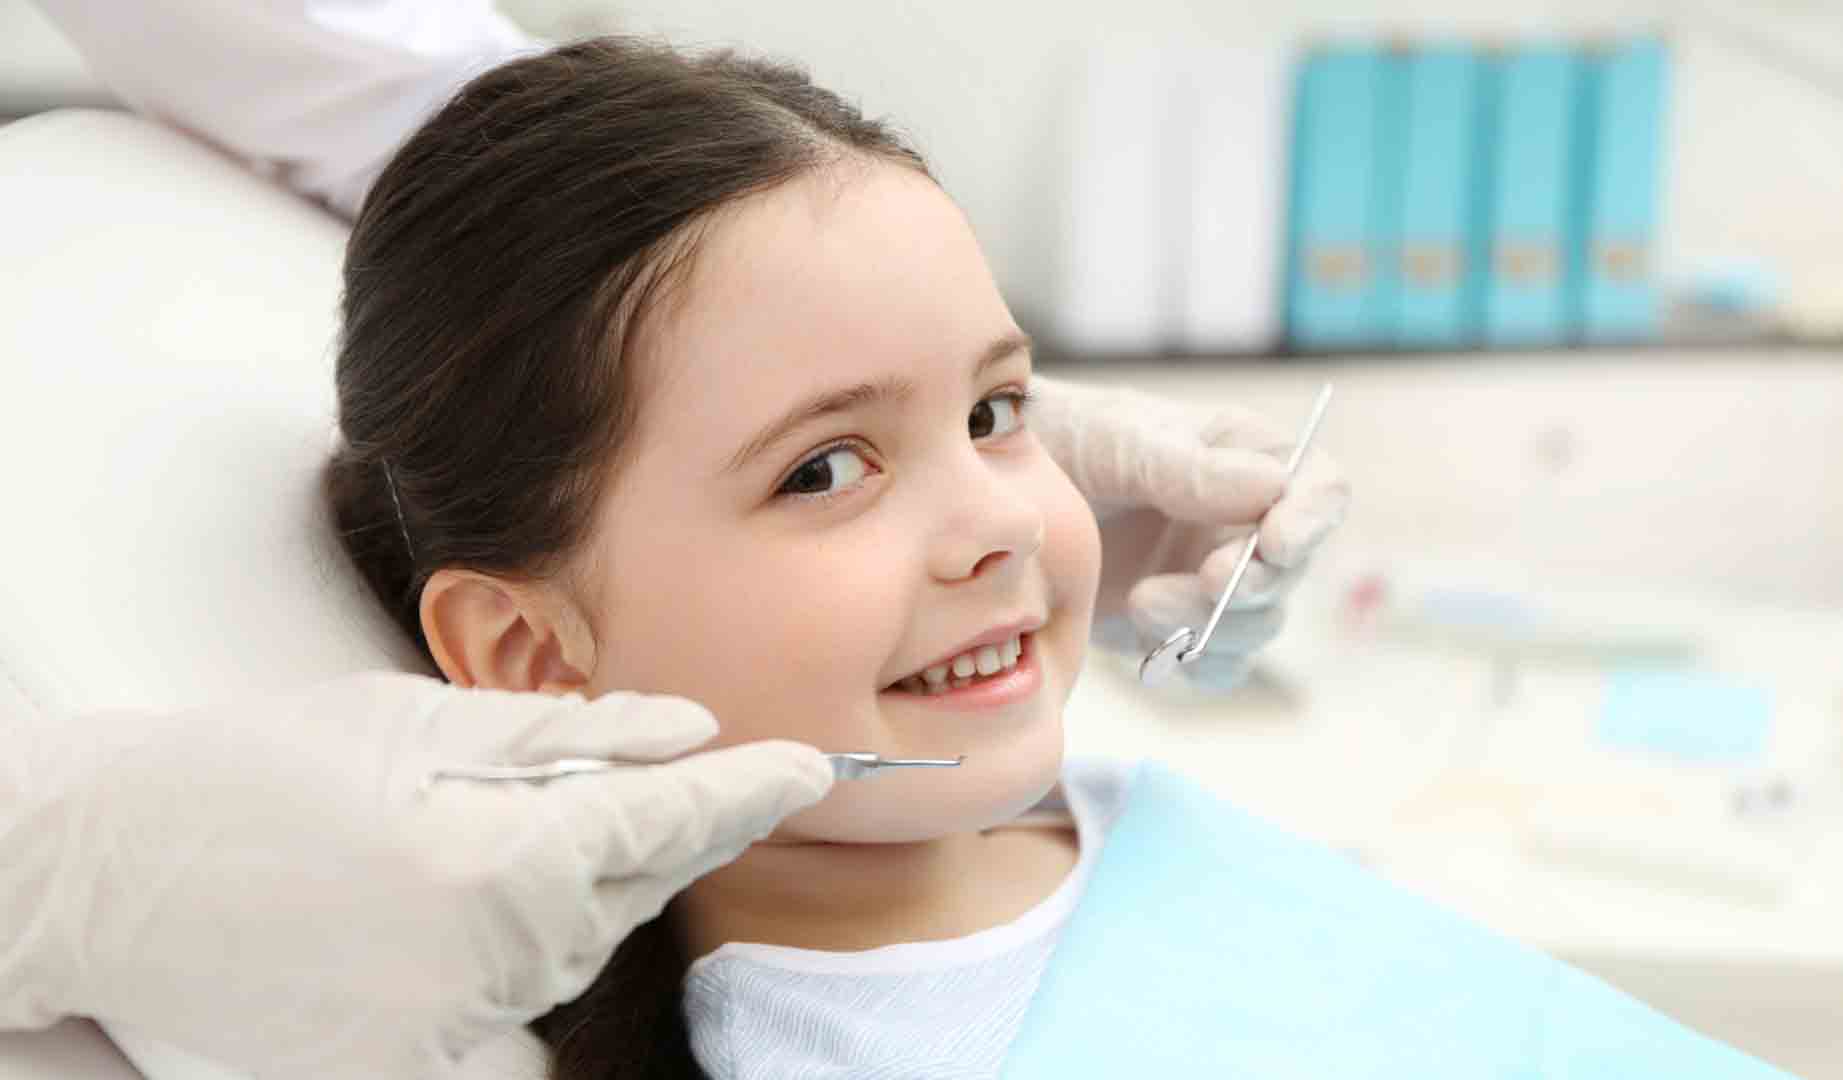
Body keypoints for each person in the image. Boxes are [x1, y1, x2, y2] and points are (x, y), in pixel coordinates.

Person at [2, 3, 1348, 1077]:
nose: (1001, 518)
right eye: (824, 469)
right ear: (529, 650)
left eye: (997, 409)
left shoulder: (1130, 831)